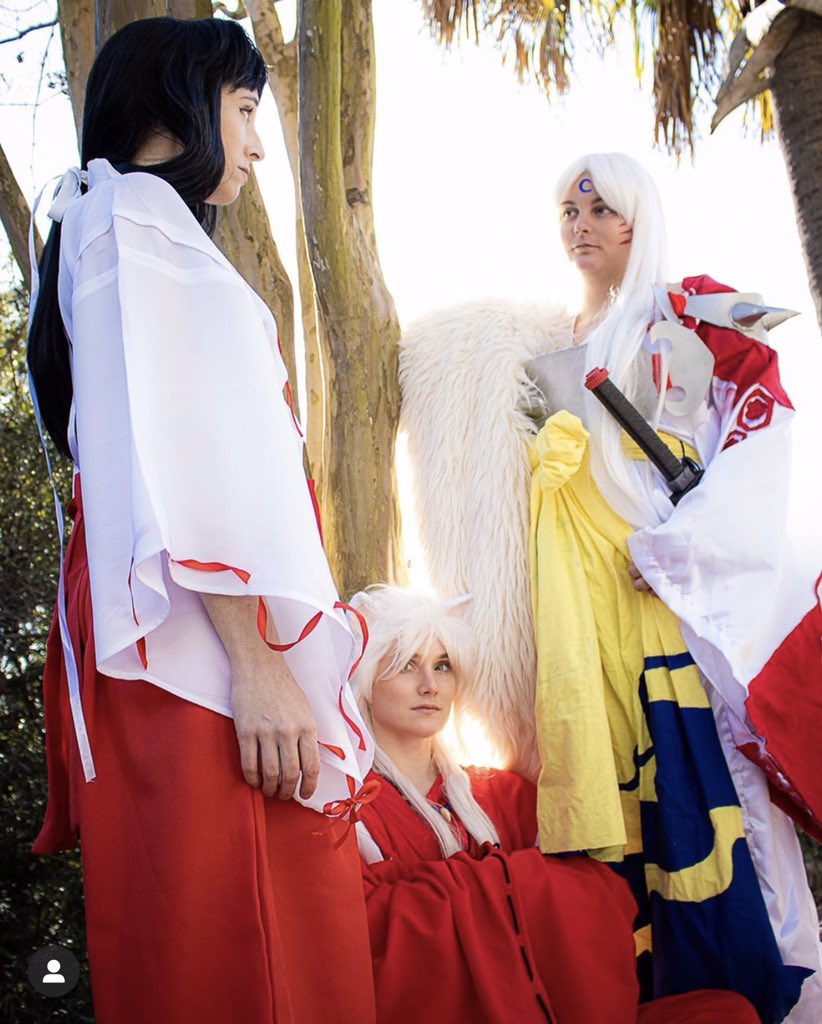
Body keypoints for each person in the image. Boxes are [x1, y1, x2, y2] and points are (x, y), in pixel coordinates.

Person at [399, 152, 822, 1022]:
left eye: (602, 210)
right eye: (569, 210)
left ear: (639, 219)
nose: (582, 226)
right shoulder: (538, 348)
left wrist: (681, 551)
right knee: (616, 804)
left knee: (714, 793)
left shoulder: (694, 318)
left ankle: (762, 998)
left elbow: (758, 442)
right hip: (578, 608)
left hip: (670, 598)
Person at [27, 17, 375, 1024]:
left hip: (174, 614)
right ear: (180, 99)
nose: (259, 144)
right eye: (245, 109)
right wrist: (257, 661)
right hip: (197, 631)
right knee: (247, 937)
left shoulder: (106, 220)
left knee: (206, 927)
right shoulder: (134, 215)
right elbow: (174, 453)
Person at [347, 584, 760, 1024]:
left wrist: (482, 889)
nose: (430, 685)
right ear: (366, 682)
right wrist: (510, 884)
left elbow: (599, 898)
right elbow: (360, 937)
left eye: (442, 665)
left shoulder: (503, 794)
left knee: (729, 1014)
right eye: (407, 665)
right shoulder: (349, 811)